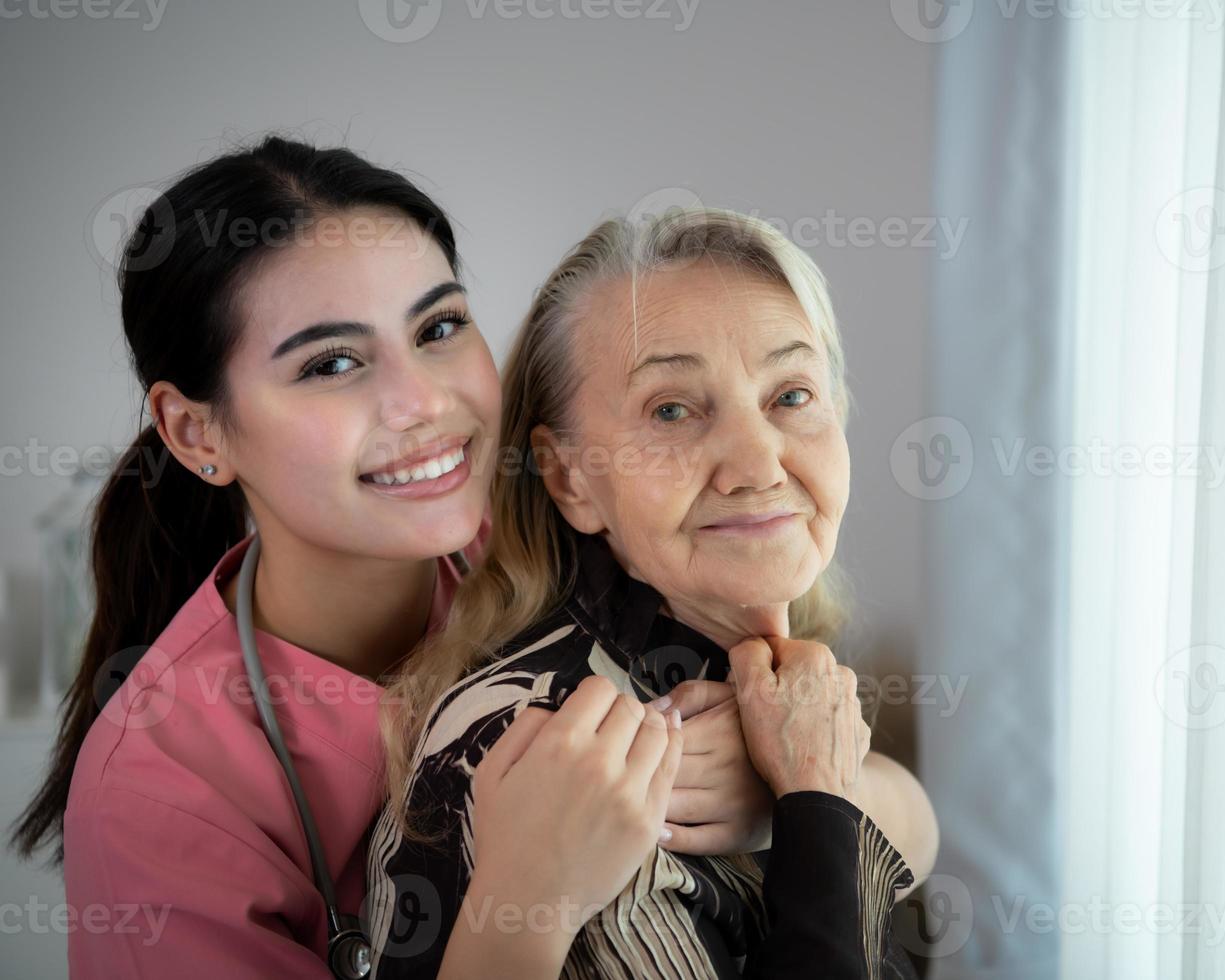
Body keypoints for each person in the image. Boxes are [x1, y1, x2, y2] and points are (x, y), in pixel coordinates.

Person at [8, 136, 938, 978]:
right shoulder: (156, 789)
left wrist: (782, 793)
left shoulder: (562, 539)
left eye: (439, 328)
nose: (424, 401)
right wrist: (520, 896)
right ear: (194, 430)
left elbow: (908, 822)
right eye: (331, 363)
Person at [371, 207, 934, 978]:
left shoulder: (744, 670)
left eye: (790, 395)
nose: (758, 464)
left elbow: (917, 821)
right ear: (569, 477)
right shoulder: (572, 768)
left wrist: (797, 798)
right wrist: (810, 804)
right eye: (672, 410)